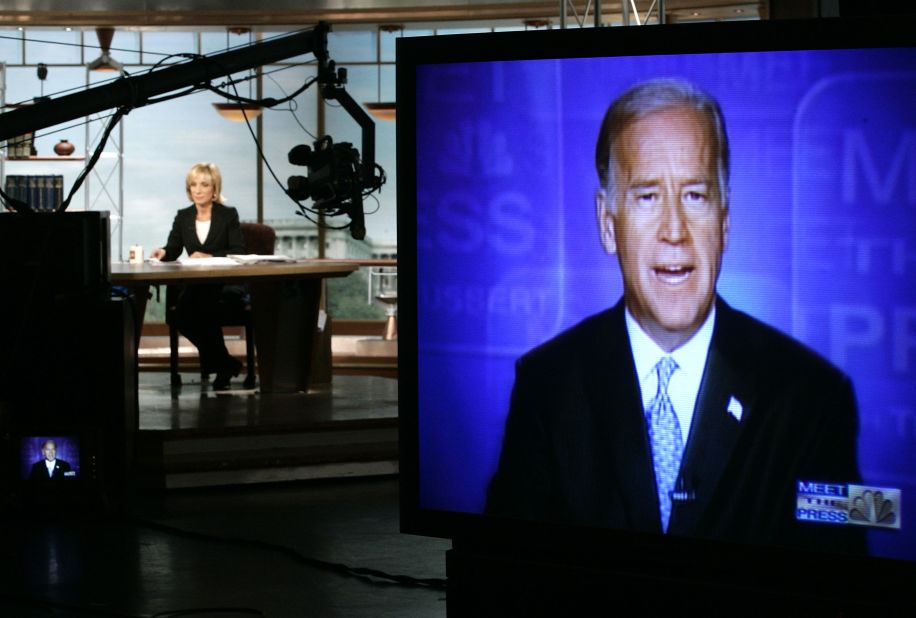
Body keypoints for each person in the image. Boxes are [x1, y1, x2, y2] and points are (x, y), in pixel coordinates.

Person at [485, 78, 865, 554]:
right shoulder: (547, 384)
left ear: (724, 222)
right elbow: (507, 566)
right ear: (608, 224)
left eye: (694, 196)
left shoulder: (813, 396)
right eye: (647, 196)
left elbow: (838, 579)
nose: (674, 232)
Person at [151, 162, 246, 390]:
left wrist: (209, 255)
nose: (198, 189)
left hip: (224, 283)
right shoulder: (183, 216)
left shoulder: (227, 214)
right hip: (197, 284)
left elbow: (238, 250)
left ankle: (223, 367)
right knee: (188, 313)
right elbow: (173, 248)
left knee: (199, 307)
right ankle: (226, 364)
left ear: (215, 188)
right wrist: (162, 252)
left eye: (204, 184)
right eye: (193, 184)